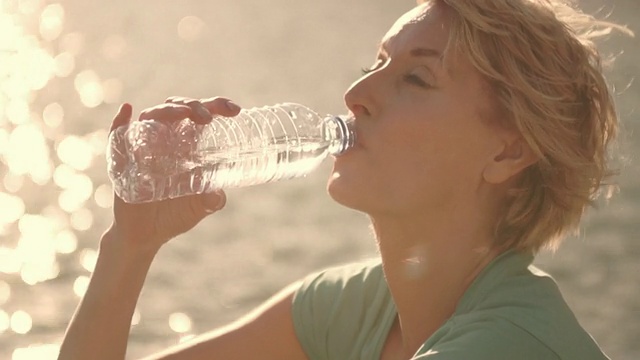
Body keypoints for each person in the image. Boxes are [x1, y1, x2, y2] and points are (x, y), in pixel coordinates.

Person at [58, 0, 632, 359]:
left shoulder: (507, 347)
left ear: (508, 150)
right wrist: (129, 246)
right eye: (374, 66)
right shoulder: (360, 308)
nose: (356, 96)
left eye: (416, 79)